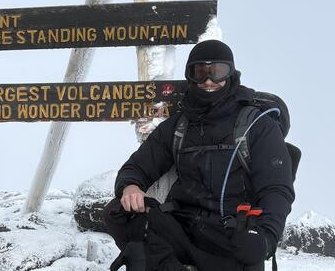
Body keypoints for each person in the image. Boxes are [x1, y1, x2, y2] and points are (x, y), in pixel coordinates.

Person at [104, 40, 296, 271]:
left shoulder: (257, 125)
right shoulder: (179, 125)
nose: (208, 80)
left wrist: (266, 239)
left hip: (231, 235)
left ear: (231, 74)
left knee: (248, 252)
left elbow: (276, 188)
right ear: (190, 75)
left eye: (217, 71)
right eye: (200, 72)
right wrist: (130, 187)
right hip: (182, 226)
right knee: (118, 212)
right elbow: (137, 166)